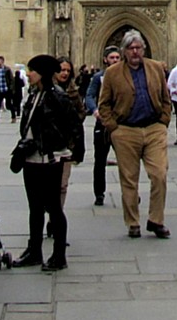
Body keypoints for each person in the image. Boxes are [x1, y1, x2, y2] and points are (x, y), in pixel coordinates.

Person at [97, 31, 172, 238]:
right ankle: (133, 222)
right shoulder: (113, 73)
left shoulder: (155, 68)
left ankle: (156, 220)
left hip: (154, 128)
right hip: (126, 130)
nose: (135, 51)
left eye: (138, 47)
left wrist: (164, 120)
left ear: (144, 48)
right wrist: (114, 128)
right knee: (129, 180)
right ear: (124, 51)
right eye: (131, 48)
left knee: (159, 174)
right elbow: (103, 104)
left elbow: (166, 98)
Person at [12, 55, 81, 271]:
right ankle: (34, 250)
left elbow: (73, 125)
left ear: (41, 73)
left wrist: (72, 150)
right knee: (35, 207)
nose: (29, 74)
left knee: (53, 208)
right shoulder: (33, 95)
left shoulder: (57, 97)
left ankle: (59, 256)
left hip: (51, 158)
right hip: (32, 157)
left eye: (32, 70)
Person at [85, 47, 122, 205]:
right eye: (112, 57)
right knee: (100, 160)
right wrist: (94, 110)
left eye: (117, 57)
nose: (115, 60)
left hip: (120, 124)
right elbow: (89, 95)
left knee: (126, 161)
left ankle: (130, 191)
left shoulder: (125, 77)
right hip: (103, 123)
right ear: (105, 59)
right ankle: (99, 193)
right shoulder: (98, 77)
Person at [51, 58, 87, 216]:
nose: (64, 73)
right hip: (49, 144)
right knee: (49, 185)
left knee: (62, 185)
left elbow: (81, 111)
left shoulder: (73, 92)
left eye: (67, 70)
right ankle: (52, 210)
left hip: (67, 144)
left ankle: (56, 218)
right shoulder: (46, 90)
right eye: (61, 70)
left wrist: (73, 122)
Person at [0, 56, 13, 123]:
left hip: (6, 89)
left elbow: (11, 79)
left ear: (2, 61)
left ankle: (13, 116)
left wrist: (11, 88)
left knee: (9, 105)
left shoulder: (7, 69)